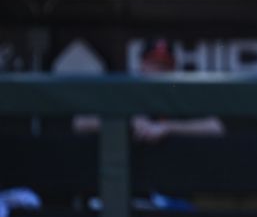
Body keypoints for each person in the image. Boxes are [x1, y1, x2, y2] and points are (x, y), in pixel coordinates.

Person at [73, 38, 226, 141]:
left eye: (164, 65)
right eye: (153, 64)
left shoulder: (179, 95)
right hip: (131, 179)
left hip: (171, 179)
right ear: (142, 65)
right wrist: (128, 123)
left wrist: (167, 127)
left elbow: (215, 127)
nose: (159, 70)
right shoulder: (127, 91)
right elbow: (80, 122)